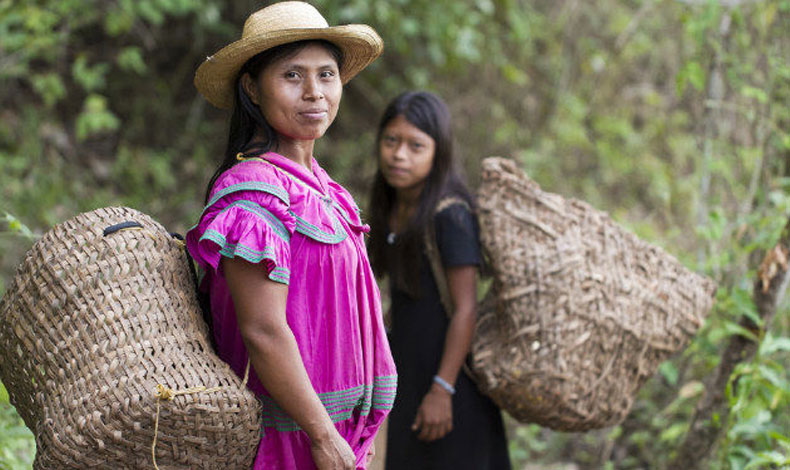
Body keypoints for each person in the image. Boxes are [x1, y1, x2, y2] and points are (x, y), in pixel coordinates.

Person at [185, 3, 396, 469]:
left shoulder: (327, 190)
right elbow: (262, 329)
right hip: (290, 440)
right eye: (292, 76)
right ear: (252, 89)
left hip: (337, 436)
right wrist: (322, 435)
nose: (314, 93)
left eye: (326, 75)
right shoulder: (254, 198)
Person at [367, 91, 510, 470]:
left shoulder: (451, 215)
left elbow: (465, 309)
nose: (399, 155)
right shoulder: (392, 206)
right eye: (391, 141)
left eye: (416, 146)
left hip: (451, 383)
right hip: (409, 377)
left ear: (438, 151)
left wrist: (441, 390)